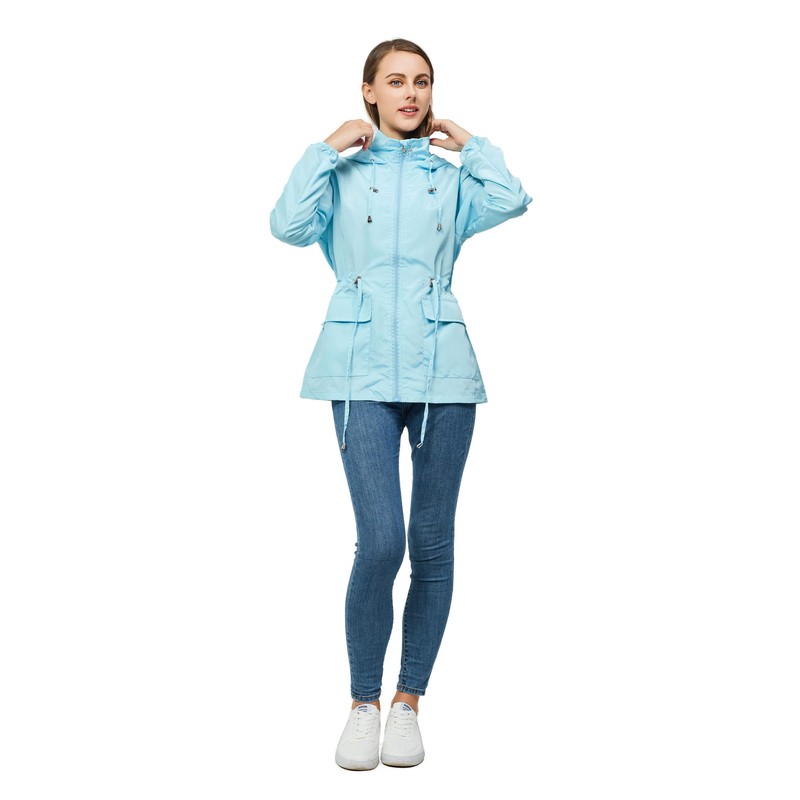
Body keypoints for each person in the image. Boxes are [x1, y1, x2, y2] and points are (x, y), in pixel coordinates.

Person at [269, 38, 532, 770]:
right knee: (381, 541)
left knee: (432, 543)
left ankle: (408, 702)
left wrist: (471, 144)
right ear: (369, 91)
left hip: (444, 371)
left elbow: (512, 199)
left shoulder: (451, 180)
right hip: (358, 370)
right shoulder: (341, 175)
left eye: (421, 81)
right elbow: (286, 226)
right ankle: (363, 703)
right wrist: (324, 148)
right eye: (395, 81)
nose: (410, 93)